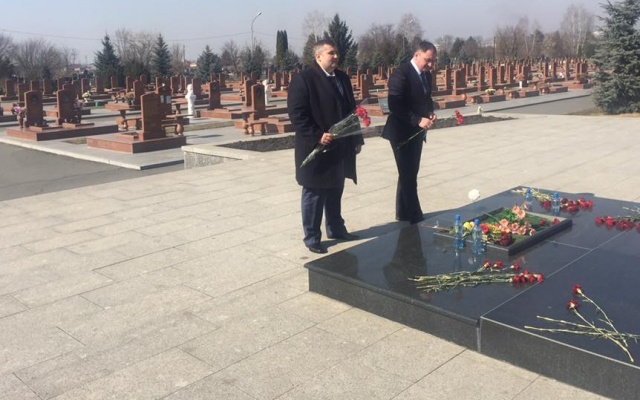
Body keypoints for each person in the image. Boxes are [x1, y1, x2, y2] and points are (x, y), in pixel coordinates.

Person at [287, 39, 364, 254]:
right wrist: (318, 136)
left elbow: (351, 111)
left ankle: (336, 228)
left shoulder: (342, 78)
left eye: (336, 52)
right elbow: (297, 115)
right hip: (316, 147)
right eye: (331, 53)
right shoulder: (304, 80)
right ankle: (312, 237)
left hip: (339, 147)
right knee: (314, 192)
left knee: (335, 189)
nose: (336, 56)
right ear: (318, 56)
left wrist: (356, 139)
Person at [382, 40, 438, 224]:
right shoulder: (402, 74)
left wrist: (429, 113)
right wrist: (418, 120)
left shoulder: (426, 75)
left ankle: (403, 212)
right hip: (401, 132)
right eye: (428, 60)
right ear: (416, 55)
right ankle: (415, 215)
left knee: (410, 171)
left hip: (416, 132)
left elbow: (426, 98)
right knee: (408, 173)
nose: (430, 64)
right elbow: (395, 104)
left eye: (433, 61)